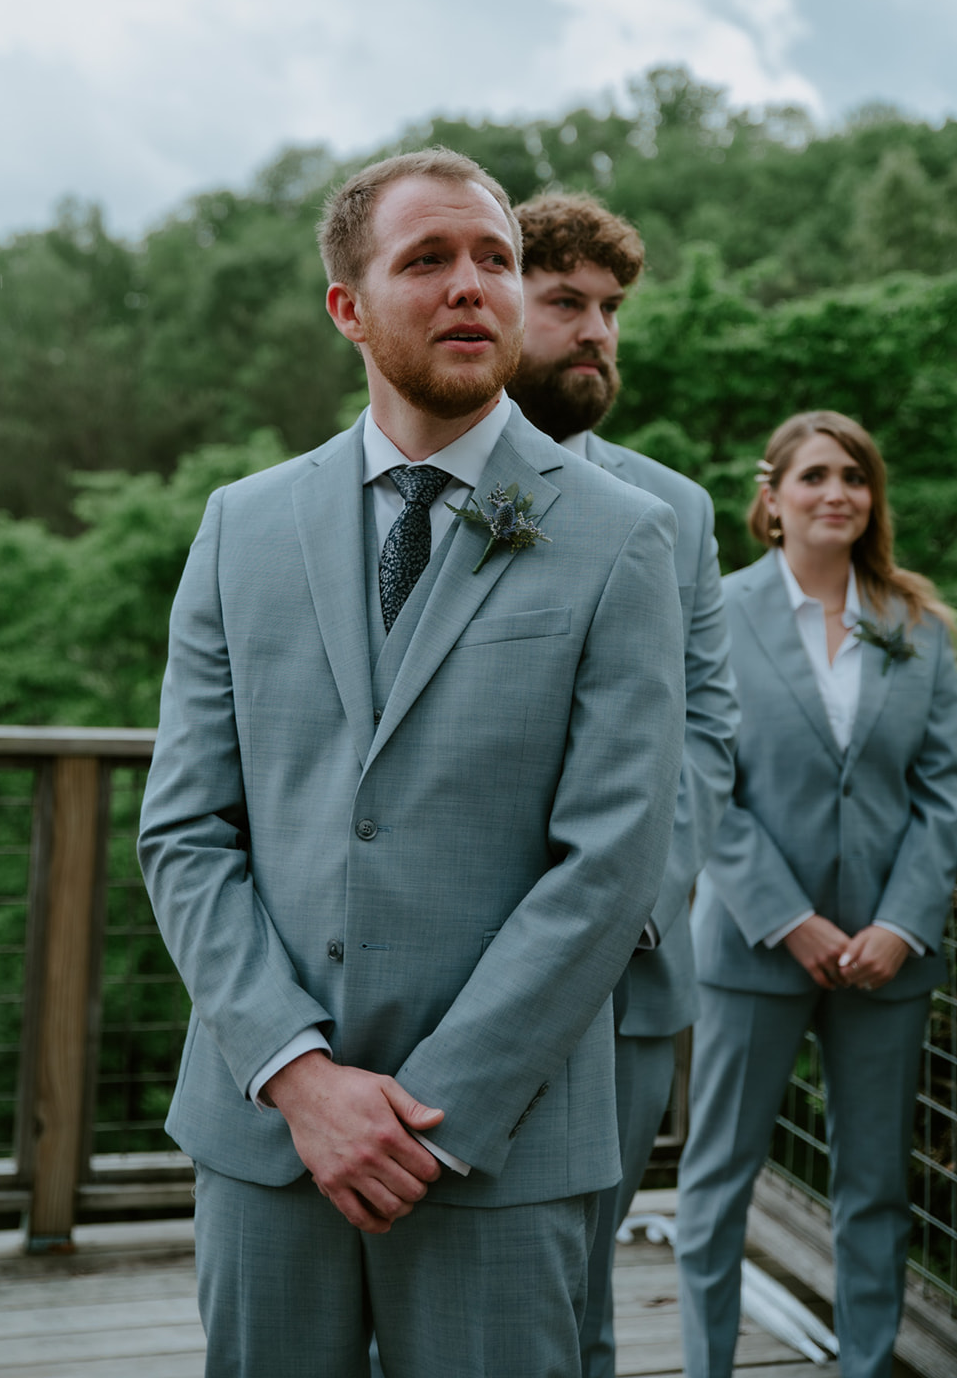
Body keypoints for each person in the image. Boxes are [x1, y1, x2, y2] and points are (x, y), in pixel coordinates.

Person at [138, 147, 687, 1378]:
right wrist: (300, 1075)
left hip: (499, 1142)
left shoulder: (622, 539)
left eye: (495, 259)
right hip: (267, 1135)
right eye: (427, 259)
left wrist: (431, 1115)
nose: (470, 286)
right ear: (348, 306)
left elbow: (610, 864)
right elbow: (185, 831)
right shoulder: (242, 524)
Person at [506, 191, 739, 1378]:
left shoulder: (677, 511)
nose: (597, 330)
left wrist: (643, 887)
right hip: (450, 970)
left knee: (582, 1291)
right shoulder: (419, 496)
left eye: (610, 310)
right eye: (565, 303)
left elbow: (708, 723)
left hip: (634, 974)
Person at [676, 409, 957, 1378]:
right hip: (755, 948)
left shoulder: (921, 628)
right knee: (716, 1180)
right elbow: (705, 776)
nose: (837, 490)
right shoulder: (718, 612)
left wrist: (902, 924)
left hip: (890, 955)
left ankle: (867, 1365)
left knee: (876, 1187)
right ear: (774, 498)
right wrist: (790, 920)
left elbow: (944, 791)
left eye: (855, 475)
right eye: (815, 475)